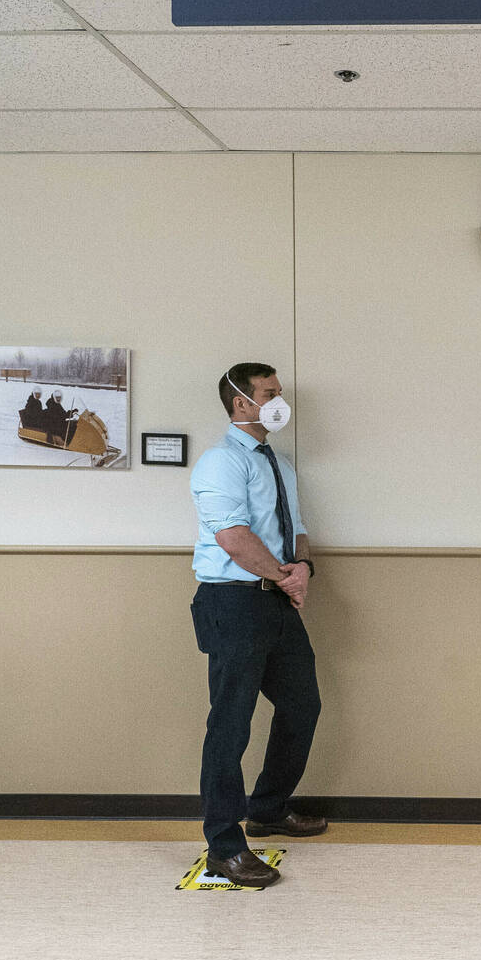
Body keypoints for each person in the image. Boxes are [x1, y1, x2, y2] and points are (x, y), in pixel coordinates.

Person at [186, 362, 326, 888]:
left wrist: (303, 568)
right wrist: (284, 579)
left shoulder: (280, 462)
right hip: (233, 602)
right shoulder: (220, 463)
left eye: (279, 392)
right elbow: (234, 538)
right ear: (241, 402)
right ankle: (224, 844)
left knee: (302, 704)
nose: (279, 401)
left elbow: (299, 529)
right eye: (270, 393)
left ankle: (267, 808)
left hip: (274, 600)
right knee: (231, 723)